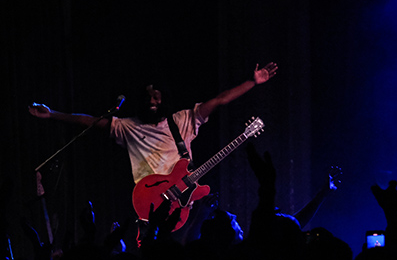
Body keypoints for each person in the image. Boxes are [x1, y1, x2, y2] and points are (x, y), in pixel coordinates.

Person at [28, 63, 278, 234]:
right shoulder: (128, 127)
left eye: (157, 97)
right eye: (147, 97)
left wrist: (252, 82)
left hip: (183, 204)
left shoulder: (182, 120)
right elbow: (90, 122)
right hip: (149, 202)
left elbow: (220, 100)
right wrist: (52, 115)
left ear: (164, 98)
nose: (152, 101)